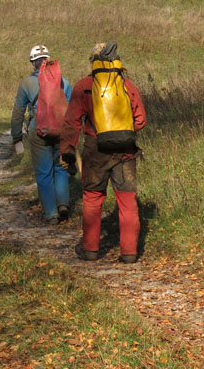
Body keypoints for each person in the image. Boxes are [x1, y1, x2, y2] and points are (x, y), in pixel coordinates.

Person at [60, 42, 146, 263]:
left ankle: (90, 249)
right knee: (127, 200)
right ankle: (129, 253)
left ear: (93, 62)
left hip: (95, 150)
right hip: (125, 152)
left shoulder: (84, 87)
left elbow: (71, 123)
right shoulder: (128, 86)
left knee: (92, 198)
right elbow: (141, 120)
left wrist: (67, 150)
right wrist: (122, 133)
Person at [11, 45, 73, 224]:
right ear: (48, 60)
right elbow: (71, 109)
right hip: (61, 130)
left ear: (33, 63)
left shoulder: (27, 83)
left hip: (38, 130)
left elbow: (18, 111)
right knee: (60, 168)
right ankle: (63, 205)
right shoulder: (64, 81)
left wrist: (16, 135)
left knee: (43, 172)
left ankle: (52, 213)